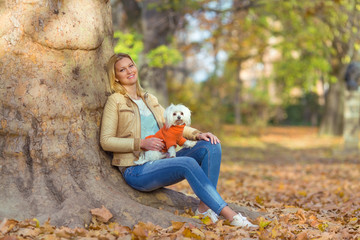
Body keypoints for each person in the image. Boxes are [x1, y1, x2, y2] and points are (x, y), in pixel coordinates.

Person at [100, 53, 257, 228]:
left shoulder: (149, 99)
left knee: (210, 146)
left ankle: (204, 210)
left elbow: (173, 124)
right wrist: (140, 143)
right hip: (136, 169)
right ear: (115, 77)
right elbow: (106, 141)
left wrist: (198, 134)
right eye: (122, 69)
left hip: (163, 158)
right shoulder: (115, 101)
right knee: (187, 163)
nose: (129, 71)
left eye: (131, 65)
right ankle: (231, 216)